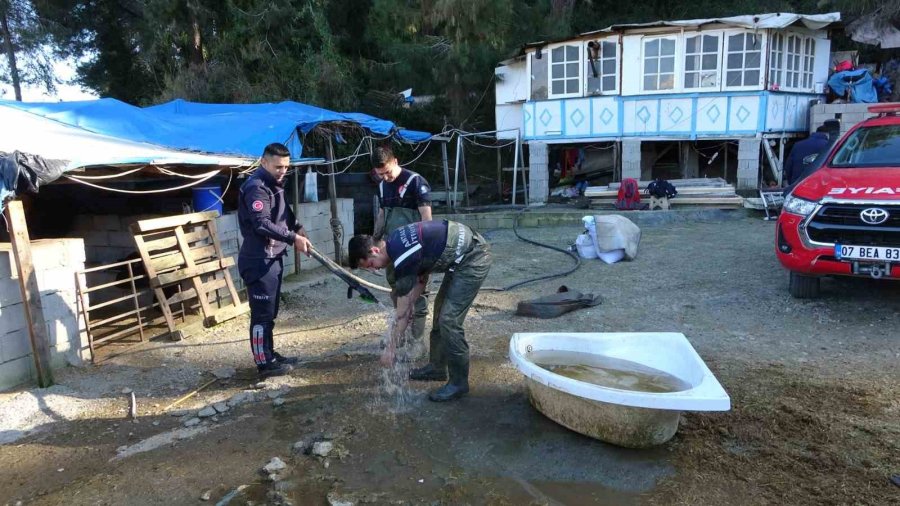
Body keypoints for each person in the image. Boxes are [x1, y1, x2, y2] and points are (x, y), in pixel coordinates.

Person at [348, 220, 492, 402]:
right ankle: (437, 368)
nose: (374, 269)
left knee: (449, 320)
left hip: (473, 257)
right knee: (440, 315)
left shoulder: (402, 257)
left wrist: (390, 349)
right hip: (461, 257)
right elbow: (421, 279)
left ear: (374, 251)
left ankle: (459, 383)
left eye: (370, 264)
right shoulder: (394, 242)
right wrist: (407, 305)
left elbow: (401, 313)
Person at [238, 143, 311, 378]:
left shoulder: (275, 185)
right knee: (261, 314)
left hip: (274, 257)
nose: (282, 171)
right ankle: (263, 363)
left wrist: (297, 227)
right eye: (278, 166)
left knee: (270, 312)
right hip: (259, 260)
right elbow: (262, 223)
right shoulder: (256, 188)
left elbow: (284, 213)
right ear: (264, 162)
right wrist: (293, 238)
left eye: (286, 167)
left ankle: (269, 353)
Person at [371, 145, 433, 354]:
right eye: (381, 174)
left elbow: (427, 219)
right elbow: (382, 215)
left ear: (395, 161)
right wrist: (375, 240)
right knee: (397, 292)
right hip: (392, 250)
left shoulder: (415, 182)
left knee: (417, 294)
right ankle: (401, 336)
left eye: (387, 172)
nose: (386, 177)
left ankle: (417, 341)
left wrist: (426, 253)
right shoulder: (382, 186)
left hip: (414, 249)